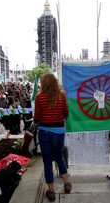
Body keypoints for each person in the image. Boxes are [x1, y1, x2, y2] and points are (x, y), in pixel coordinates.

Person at [33, 73, 71, 202]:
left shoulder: (39, 97)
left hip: (45, 132)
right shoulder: (61, 96)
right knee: (59, 156)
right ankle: (66, 183)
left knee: (47, 161)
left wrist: (37, 122)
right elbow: (65, 114)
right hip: (59, 131)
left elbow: (37, 118)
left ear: (43, 84)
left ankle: (51, 191)